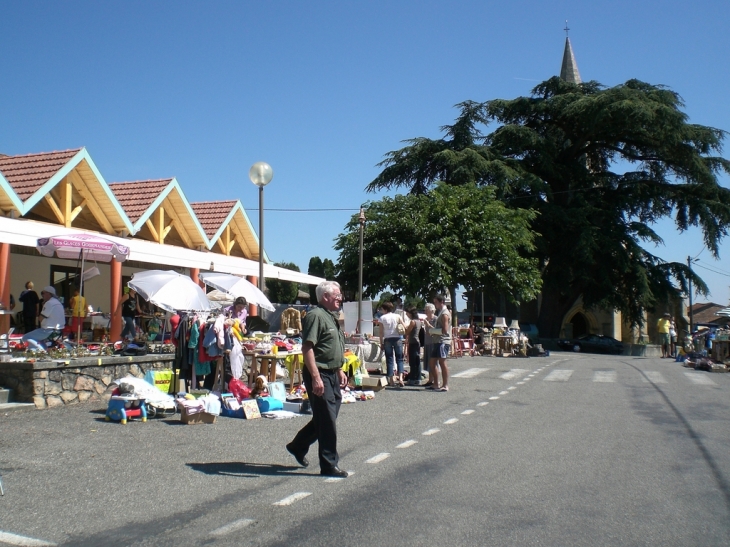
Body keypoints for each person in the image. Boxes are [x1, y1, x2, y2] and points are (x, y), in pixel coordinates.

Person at [286, 280, 348, 478]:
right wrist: (315, 377)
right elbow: (308, 348)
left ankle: (298, 445)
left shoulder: (331, 317)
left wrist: (339, 369)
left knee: (326, 417)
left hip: (332, 373)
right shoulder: (315, 316)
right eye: (337, 296)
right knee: (328, 420)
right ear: (325, 297)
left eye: (340, 296)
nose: (340, 299)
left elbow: (330, 346)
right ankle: (329, 464)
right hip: (319, 373)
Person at [427, 294, 451, 392]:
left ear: (441, 302)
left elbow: (445, 330)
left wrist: (432, 331)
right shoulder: (441, 312)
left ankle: (445, 385)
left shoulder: (445, 313)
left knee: (442, 362)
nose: (435, 304)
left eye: (436, 302)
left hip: (443, 341)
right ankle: (436, 384)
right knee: (432, 362)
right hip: (437, 341)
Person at [378, 301, 405, 387]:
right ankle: (400, 378)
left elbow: (381, 332)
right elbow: (404, 326)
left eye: (382, 309)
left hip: (387, 339)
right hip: (397, 338)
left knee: (389, 359)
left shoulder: (382, 318)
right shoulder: (398, 316)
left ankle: (391, 380)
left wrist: (381, 342)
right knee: (399, 359)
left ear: (385, 309)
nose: (382, 310)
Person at [404, 306, 422, 385]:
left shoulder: (412, 322)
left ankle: (412, 379)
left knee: (412, 361)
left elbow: (407, 332)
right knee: (417, 361)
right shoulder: (418, 321)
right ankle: (418, 378)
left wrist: (404, 326)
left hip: (413, 342)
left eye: (407, 313)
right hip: (417, 342)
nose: (407, 315)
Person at [422, 303, 437, 387]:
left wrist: (427, 324)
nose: (425, 311)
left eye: (426, 310)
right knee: (428, 362)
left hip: (433, 342)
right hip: (427, 342)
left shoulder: (435, 319)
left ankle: (435, 380)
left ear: (431, 310)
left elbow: (435, 330)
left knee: (433, 362)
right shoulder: (426, 319)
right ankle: (430, 379)